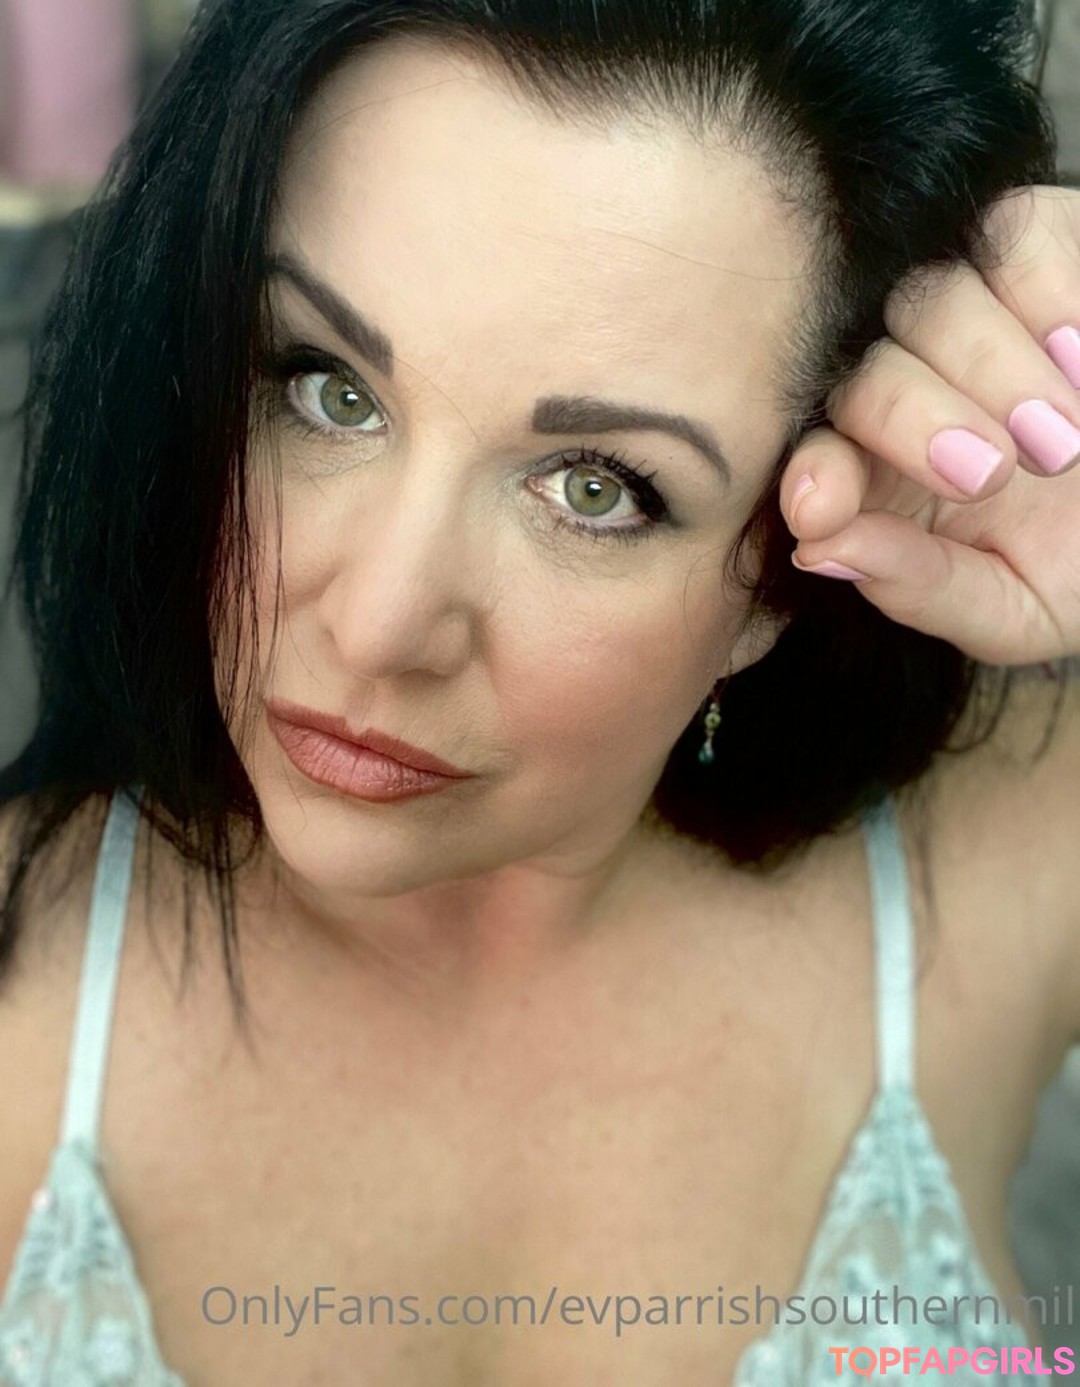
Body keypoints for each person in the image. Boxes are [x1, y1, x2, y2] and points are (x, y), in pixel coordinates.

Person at [0, 0, 1078, 1383]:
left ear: (779, 569)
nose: (382, 626)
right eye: (327, 389)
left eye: (594, 489)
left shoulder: (1000, 861)